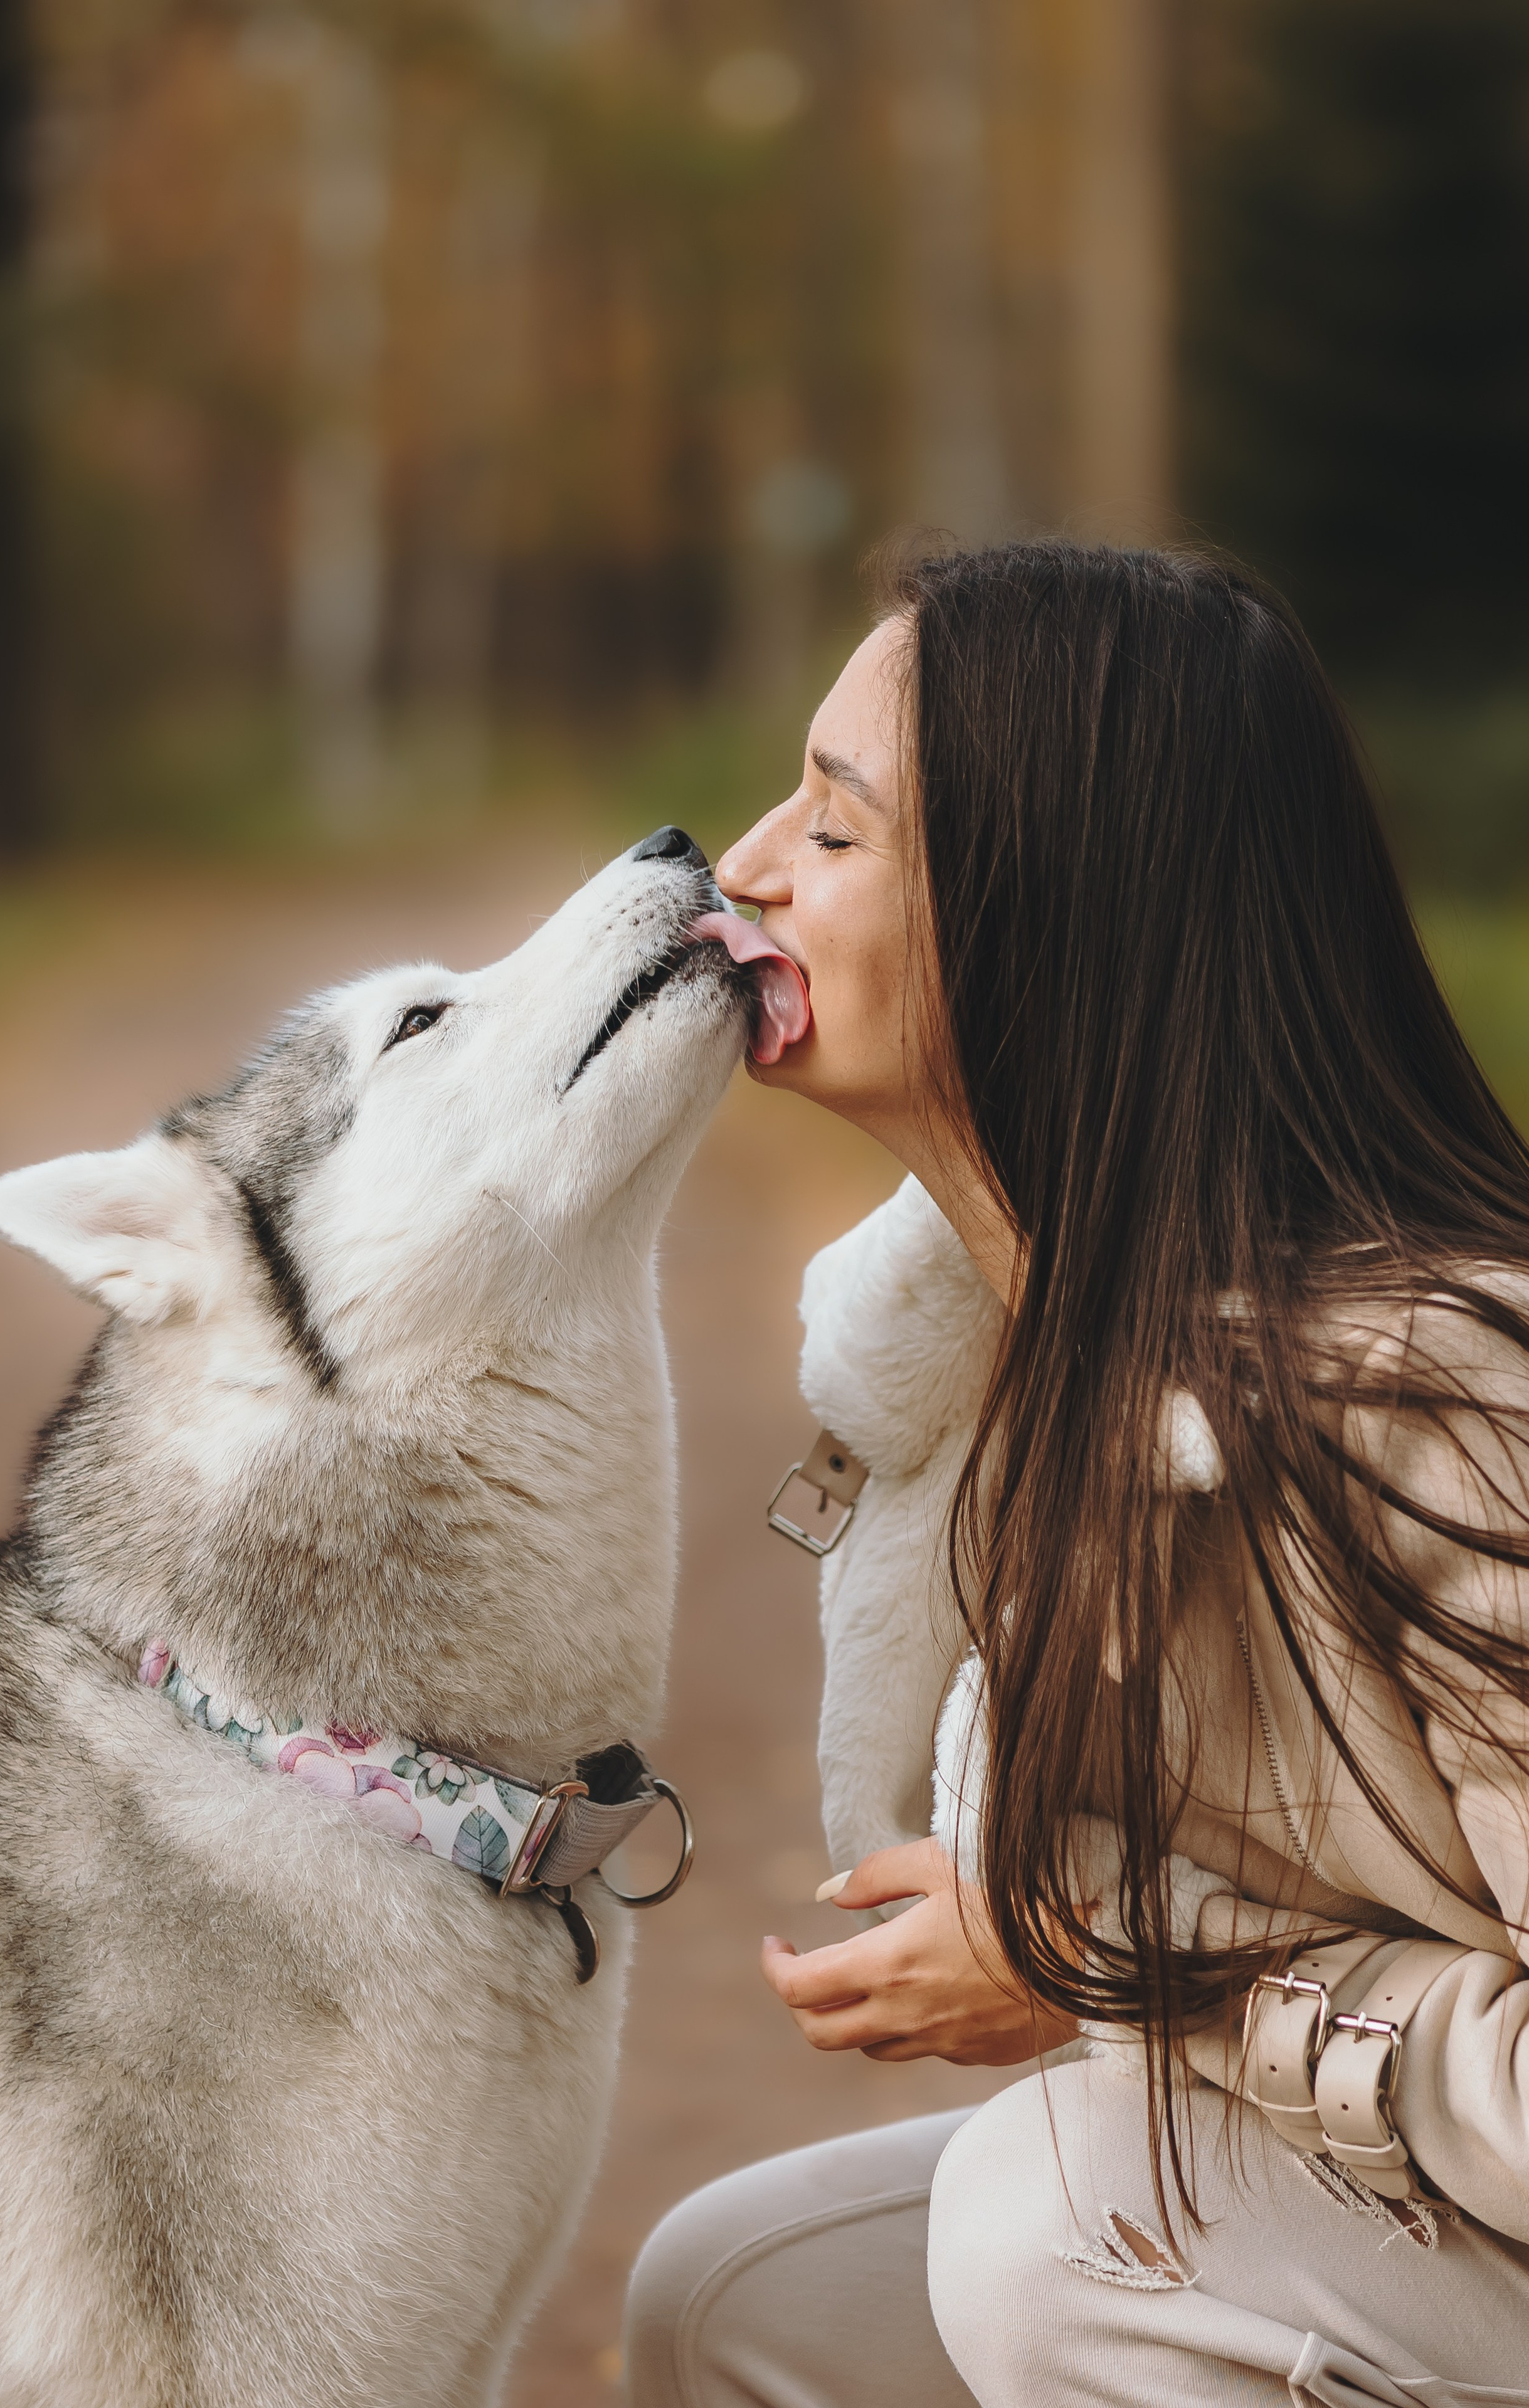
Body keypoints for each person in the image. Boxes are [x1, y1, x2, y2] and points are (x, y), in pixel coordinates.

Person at [622, 544, 1529, 2407]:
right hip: (1420, 2197)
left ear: (1055, 913)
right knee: (737, 2294)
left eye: (842, 829)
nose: (747, 871)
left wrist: (1132, 1970)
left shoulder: (1443, 1403)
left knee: (1055, 2225)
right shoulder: (1013, 1351)